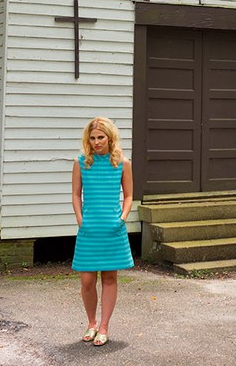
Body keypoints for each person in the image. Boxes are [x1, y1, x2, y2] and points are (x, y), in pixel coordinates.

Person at [71, 116, 134, 347]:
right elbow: (76, 195)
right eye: (93, 138)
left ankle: (104, 326)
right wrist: (80, 219)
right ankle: (91, 323)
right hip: (89, 229)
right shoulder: (81, 163)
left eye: (101, 137)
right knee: (87, 280)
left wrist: (122, 218)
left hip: (112, 229)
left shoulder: (122, 163)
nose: (97, 142)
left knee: (109, 277)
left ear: (110, 138)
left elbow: (128, 195)